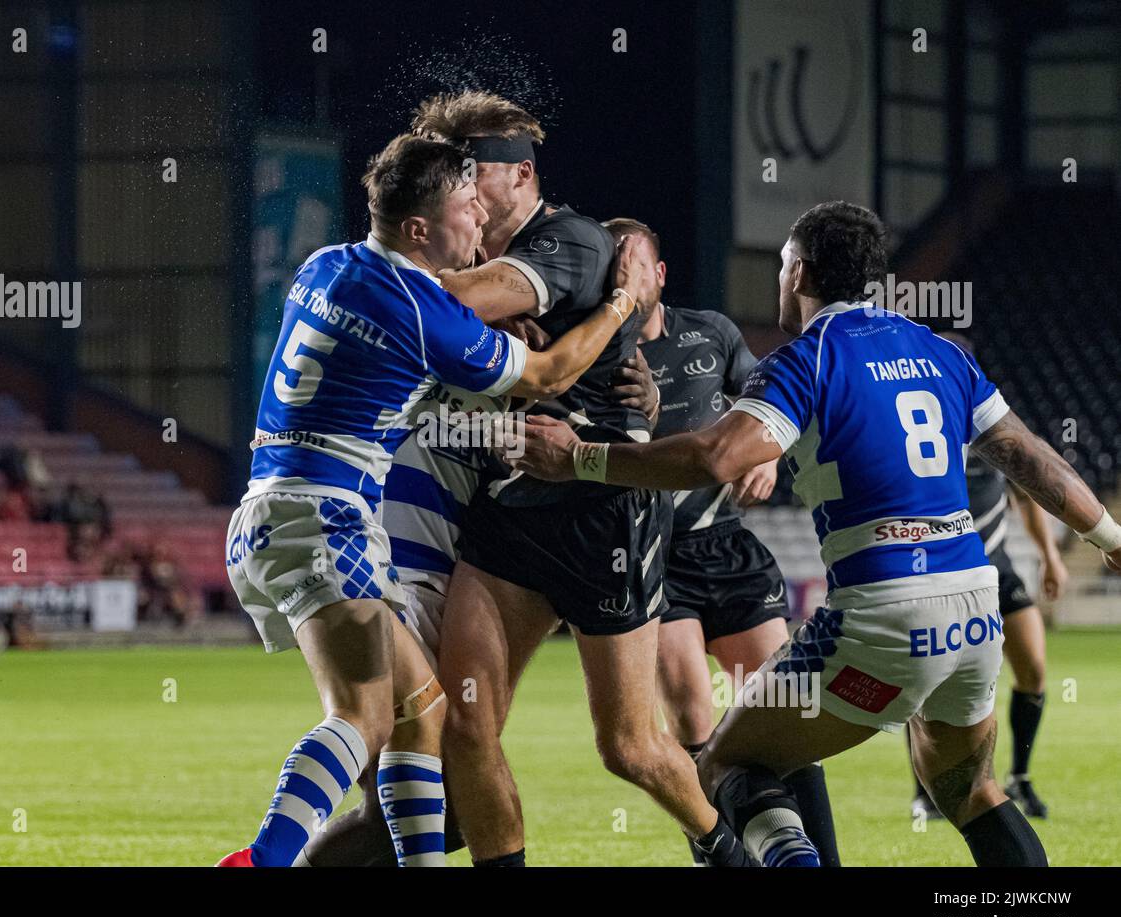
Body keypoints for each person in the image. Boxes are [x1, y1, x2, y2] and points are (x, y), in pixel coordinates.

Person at [513, 200, 1121, 866]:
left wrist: (580, 458)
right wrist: (1111, 538)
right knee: (970, 790)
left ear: (799, 272)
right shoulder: (938, 351)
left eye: (781, 267)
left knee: (724, 765)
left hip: (883, 613)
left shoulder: (806, 358)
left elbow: (716, 457)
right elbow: (1027, 454)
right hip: (974, 613)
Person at [216, 132, 645, 867]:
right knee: (363, 714)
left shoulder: (325, 266)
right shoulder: (421, 309)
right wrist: (621, 305)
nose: (479, 226)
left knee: (425, 712)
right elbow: (544, 376)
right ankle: (263, 859)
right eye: (465, 211)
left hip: (269, 510)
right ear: (419, 228)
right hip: (328, 517)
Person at [412, 91, 746, 867]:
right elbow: (449, 315)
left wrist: (473, 314)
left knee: (630, 747)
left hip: (601, 512)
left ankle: (725, 849)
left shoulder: (572, 240)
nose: (457, 187)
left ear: (520, 174)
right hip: (509, 505)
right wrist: (484, 329)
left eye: (471, 172)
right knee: (465, 724)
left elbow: (437, 303)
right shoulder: (474, 257)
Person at [604, 216, 840, 865]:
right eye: (611, 266)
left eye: (632, 263)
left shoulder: (711, 333)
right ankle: (721, 852)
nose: (622, 275)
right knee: (690, 711)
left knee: (782, 711)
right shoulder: (594, 352)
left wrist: (766, 457)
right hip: (655, 555)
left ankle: (813, 852)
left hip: (727, 543)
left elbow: (770, 405)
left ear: (659, 274)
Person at [908, 333, 1066, 822]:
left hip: (997, 563)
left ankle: (1019, 776)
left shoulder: (992, 424)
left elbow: (1025, 494)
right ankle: (927, 791)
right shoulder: (913, 423)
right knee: (927, 683)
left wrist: (1050, 557)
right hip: (940, 565)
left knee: (1034, 670)